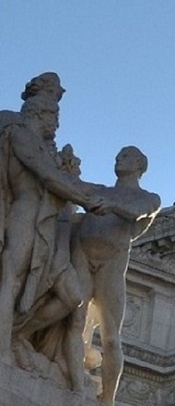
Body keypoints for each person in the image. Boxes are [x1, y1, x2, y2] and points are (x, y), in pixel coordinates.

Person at [13, 147, 160, 405]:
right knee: (75, 320)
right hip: (82, 255)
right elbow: (71, 187)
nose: (118, 158)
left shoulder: (149, 197)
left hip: (110, 266)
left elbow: (139, 212)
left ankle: (108, 400)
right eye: (117, 156)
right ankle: (74, 383)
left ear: (139, 164)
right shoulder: (100, 190)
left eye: (125, 156)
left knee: (110, 337)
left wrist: (111, 204)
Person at [0, 74, 109, 366]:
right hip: (25, 213)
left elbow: (56, 177)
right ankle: (3, 353)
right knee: (12, 278)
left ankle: (16, 335)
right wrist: (85, 199)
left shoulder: (43, 146)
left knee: (71, 296)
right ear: (40, 112)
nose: (57, 124)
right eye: (54, 116)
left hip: (48, 222)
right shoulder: (19, 133)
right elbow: (47, 177)